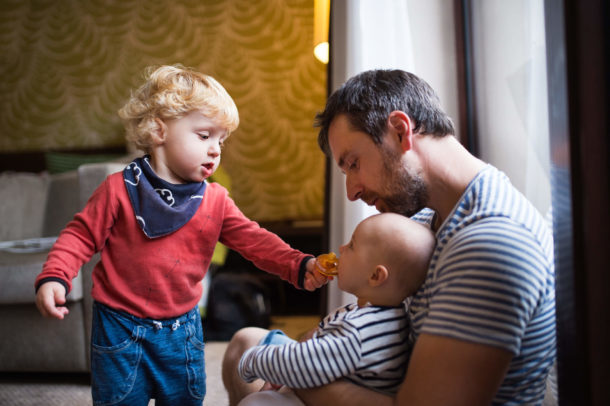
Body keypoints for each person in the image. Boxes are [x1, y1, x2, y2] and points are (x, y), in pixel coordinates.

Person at [222, 69, 556, 406]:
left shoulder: (489, 241)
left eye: (353, 164)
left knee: (254, 377)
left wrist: (300, 372)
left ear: (400, 131)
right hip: (389, 384)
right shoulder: (431, 217)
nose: (351, 191)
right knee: (245, 342)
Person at [34, 65, 327, 406]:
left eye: (221, 139)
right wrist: (56, 275)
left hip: (181, 331)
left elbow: (255, 240)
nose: (216, 149)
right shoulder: (118, 190)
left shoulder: (215, 200)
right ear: (159, 131)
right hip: (119, 327)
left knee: (185, 399)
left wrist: (298, 263)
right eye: (204, 135)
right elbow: (79, 236)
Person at [237, 213, 435, 396]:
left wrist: (254, 360)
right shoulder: (386, 316)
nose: (341, 249)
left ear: (375, 276)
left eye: (351, 246)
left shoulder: (359, 331)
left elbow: (304, 364)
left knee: (255, 402)